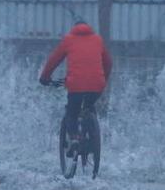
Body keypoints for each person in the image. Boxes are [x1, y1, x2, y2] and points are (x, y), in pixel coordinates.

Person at [39, 21, 112, 153]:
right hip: (97, 86)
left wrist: (45, 77)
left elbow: (54, 60)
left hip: (76, 86)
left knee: (72, 112)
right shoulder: (97, 39)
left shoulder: (69, 40)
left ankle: (74, 138)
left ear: (74, 28)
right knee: (89, 106)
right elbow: (108, 63)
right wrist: (103, 80)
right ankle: (92, 136)